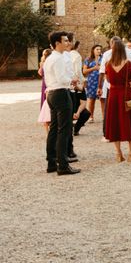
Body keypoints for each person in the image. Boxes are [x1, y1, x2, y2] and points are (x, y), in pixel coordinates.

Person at [44, 31, 80, 175]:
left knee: (54, 129)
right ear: (57, 43)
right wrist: (73, 81)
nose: (68, 43)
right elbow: (62, 78)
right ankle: (63, 165)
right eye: (65, 41)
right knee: (64, 130)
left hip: (52, 93)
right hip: (60, 93)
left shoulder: (50, 58)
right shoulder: (58, 58)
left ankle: (52, 162)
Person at [104, 39, 131, 162]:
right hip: (125, 93)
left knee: (114, 122)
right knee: (129, 121)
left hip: (113, 95)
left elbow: (108, 80)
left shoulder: (108, 64)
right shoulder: (128, 64)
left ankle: (118, 153)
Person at [98, 37, 131, 140]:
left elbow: (103, 73)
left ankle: (109, 135)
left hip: (112, 90)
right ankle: (129, 136)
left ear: (112, 45)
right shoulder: (129, 56)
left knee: (112, 115)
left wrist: (99, 87)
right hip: (126, 90)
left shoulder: (107, 58)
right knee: (127, 114)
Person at [83, 45, 102, 123]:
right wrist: (94, 68)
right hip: (92, 81)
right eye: (97, 49)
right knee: (92, 99)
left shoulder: (103, 59)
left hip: (101, 81)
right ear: (93, 50)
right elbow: (84, 71)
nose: (99, 51)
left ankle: (104, 117)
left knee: (103, 100)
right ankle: (91, 116)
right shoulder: (88, 59)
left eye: (100, 49)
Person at [38, 49, 53, 132]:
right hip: (49, 82)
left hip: (45, 82)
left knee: (45, 100)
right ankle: (48, 117)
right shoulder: (49, 63)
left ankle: (45, 116)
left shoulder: (42, 63)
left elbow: (40, 73)